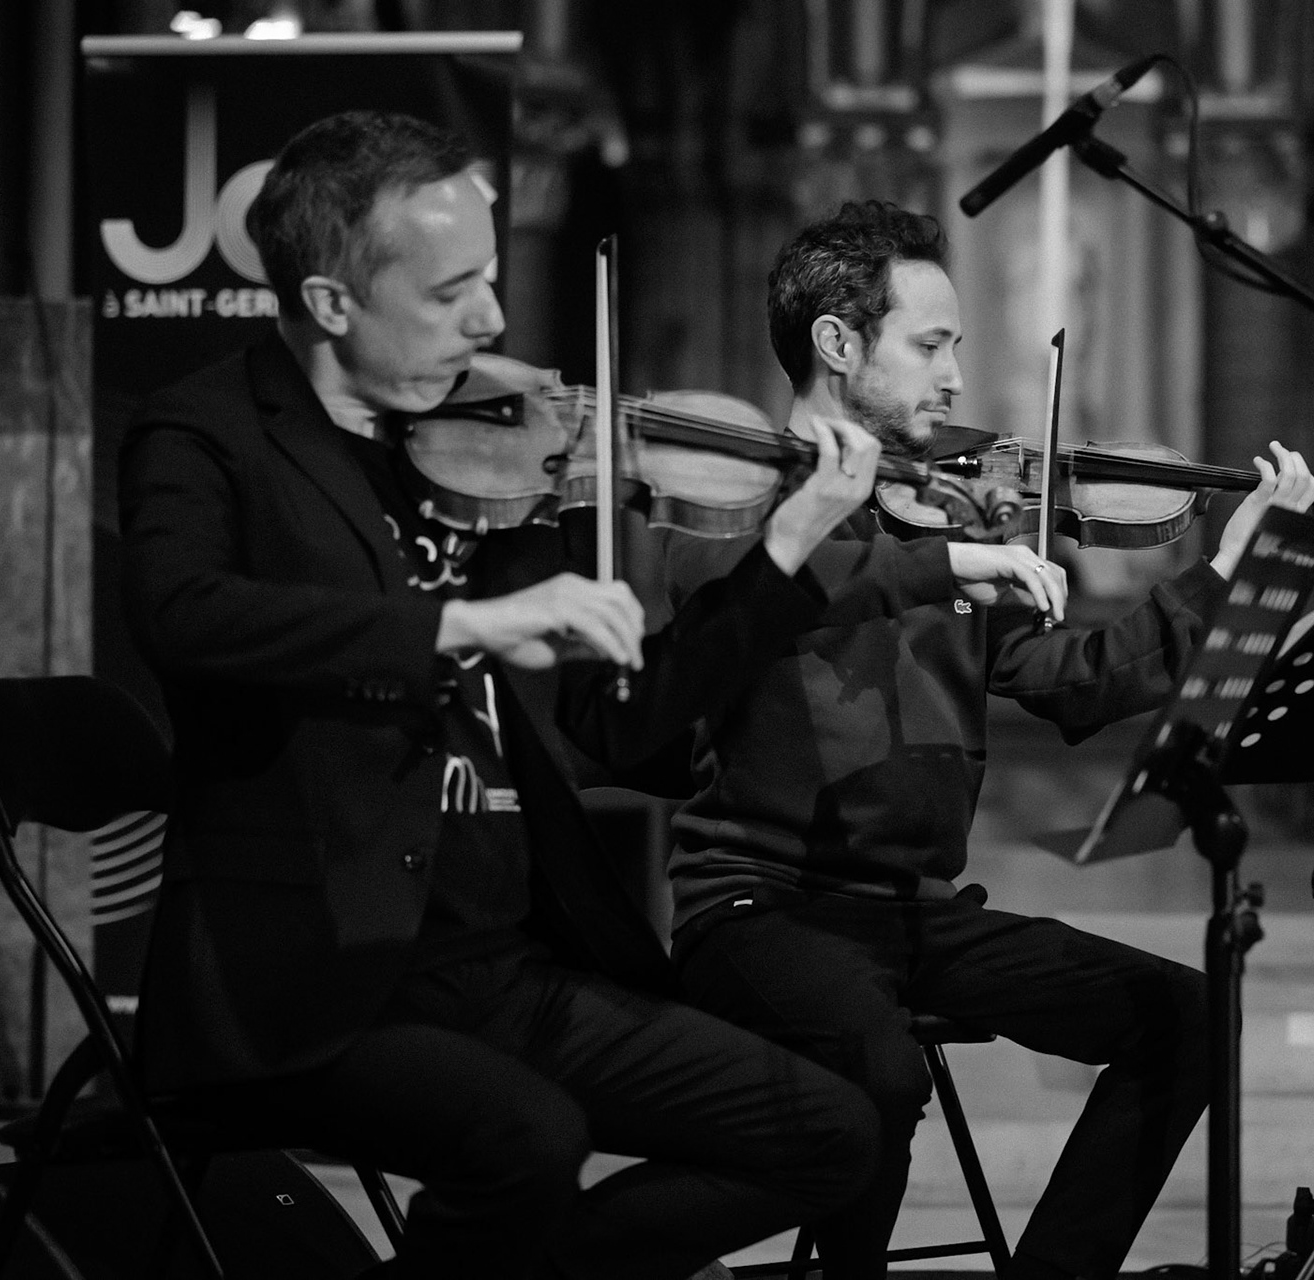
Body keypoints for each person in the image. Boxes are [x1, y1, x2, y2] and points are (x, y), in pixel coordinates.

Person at [119, 110, 898, 1280]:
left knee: (833, 1129)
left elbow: (618, 722)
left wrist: (785, 550)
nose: (492, 318)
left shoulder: (497, 453)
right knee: (526, 1139)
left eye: (490, 278)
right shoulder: (209, 433)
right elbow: (184, 614)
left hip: (504, 959)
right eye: (450, 293)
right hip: (310, 974)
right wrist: (459, 623)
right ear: (332, 304)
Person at [656, 199, 1314, 1280]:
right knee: (877, 1069)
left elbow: (1079, 685)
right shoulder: (739, 510)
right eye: (931, 344)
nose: (959, 374)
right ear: (837, 343)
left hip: (916, 913)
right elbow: (753, 614)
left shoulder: (956, 516)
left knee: (1189, 1015)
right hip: (759, 905)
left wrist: (1225, 571)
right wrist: (917, 552)